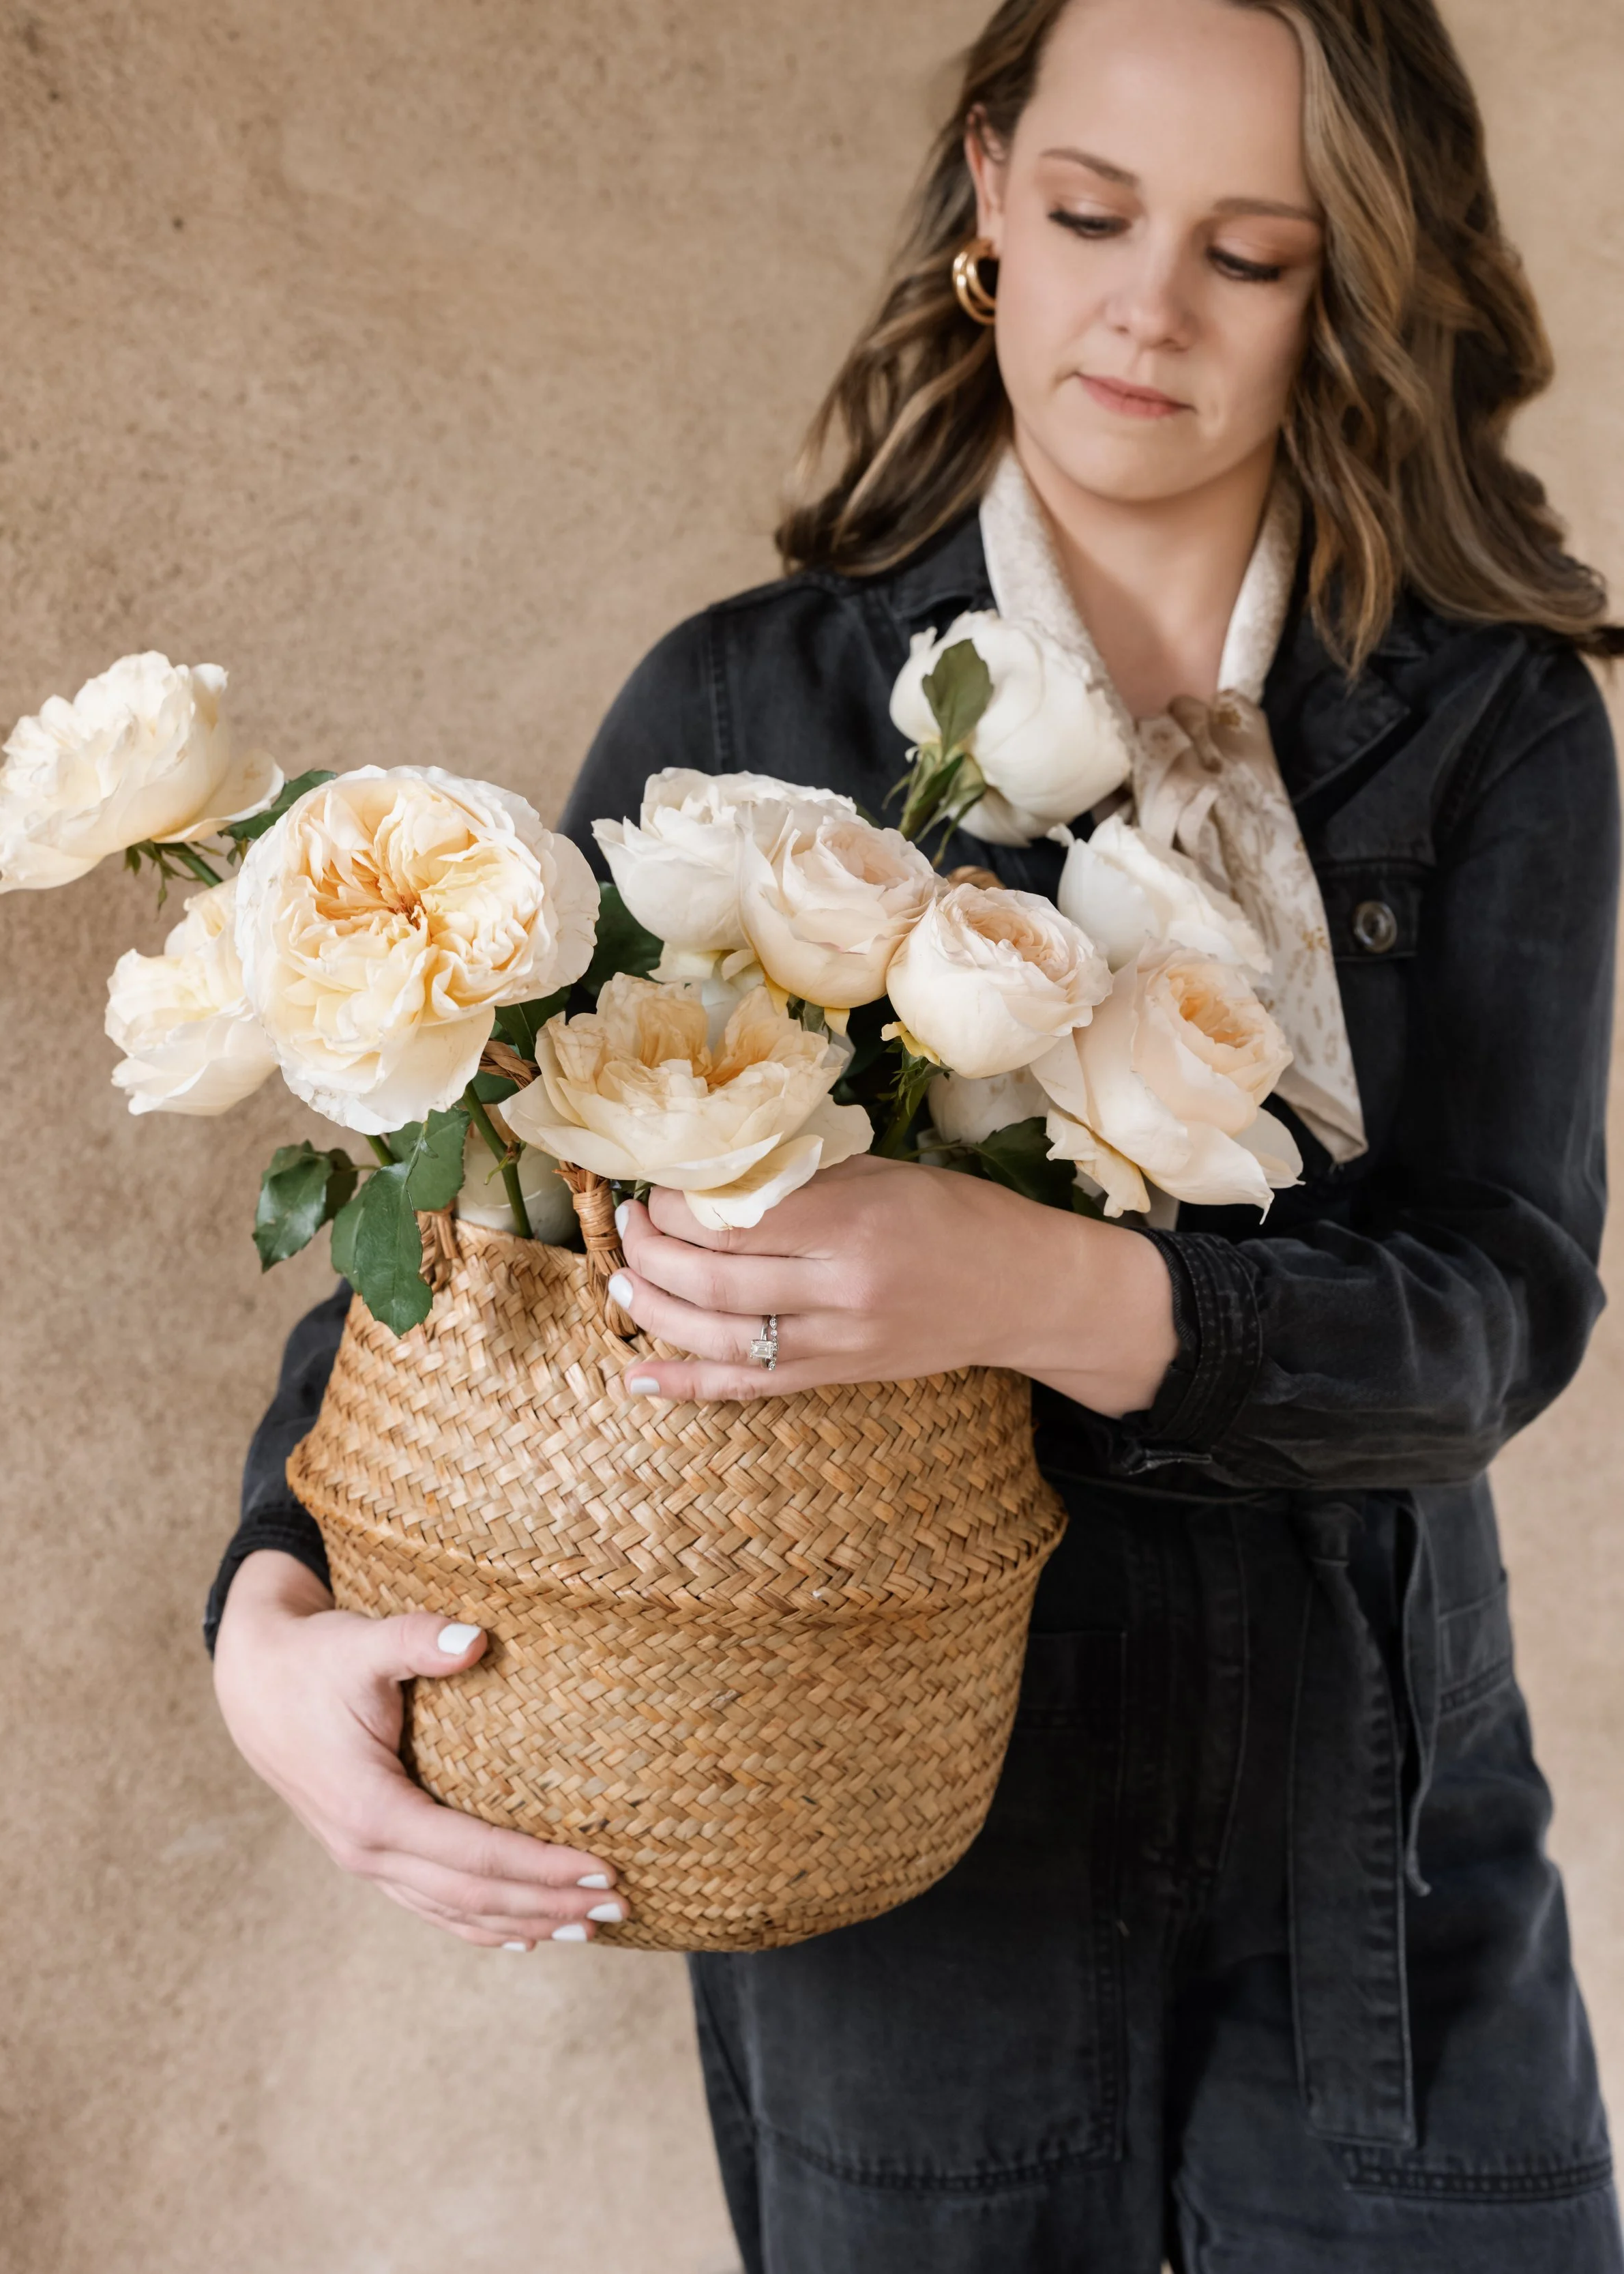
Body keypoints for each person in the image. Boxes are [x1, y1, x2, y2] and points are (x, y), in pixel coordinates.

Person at [208, 0, 1624, 2264]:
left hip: (1378, 1854)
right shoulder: (741, 708)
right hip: (887, 1869)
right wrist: (263, 1615)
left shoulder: (1491, 723)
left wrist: (1047, 1288)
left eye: (1247, 254)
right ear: (987, 193)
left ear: (1348, 275)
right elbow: (471, 1246)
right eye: (1088, 213)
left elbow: (1496, 1314)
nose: (1144, 304)